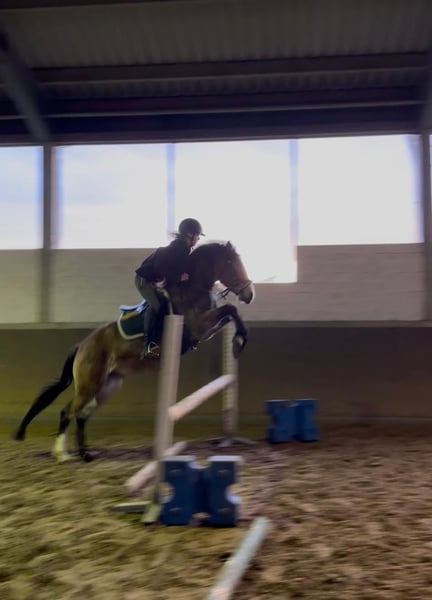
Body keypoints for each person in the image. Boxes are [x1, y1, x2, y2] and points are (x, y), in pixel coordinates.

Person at [134, 218, 205, 358]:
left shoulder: (185, 249)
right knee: (159, 306)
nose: (198, 239)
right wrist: (178, 277)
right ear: (189, 234)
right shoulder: (176, 248)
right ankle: (149, 345)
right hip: (144, 280)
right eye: (197, 235)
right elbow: (159, 267)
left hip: (157, 280)